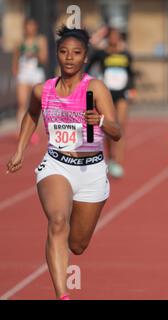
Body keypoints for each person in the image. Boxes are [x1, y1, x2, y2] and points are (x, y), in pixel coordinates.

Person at [6, 26, 121, 299]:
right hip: (56, 164)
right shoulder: (42, 90)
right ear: (57, 54)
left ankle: (62, 248)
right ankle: (63, 295)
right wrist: (20, 150)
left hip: (91, 169)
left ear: (85, 58)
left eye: (76, 53)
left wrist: (101, 122)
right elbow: (32, 115)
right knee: (57, 221)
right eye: (64, 52)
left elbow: (117, 132)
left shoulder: (95, 88)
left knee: (78, 244)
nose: (69, 58)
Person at [86, 27, 135, 179]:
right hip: (106, 94)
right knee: (108, 127)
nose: (114, 39)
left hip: (121, 94)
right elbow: (88, 65)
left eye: (116, 37)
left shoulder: (126, 54)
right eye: (111, 37)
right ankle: (110, 158)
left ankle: (118, 162)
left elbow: (130, 73)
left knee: (120, 127)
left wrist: (133, 89)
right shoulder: (102, 54)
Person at [11, 18, 48, 144]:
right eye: (28, 26)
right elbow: (15, 58)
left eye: (32, 26)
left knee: (35, 104)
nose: (30, 29)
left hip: (36, 74)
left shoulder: (40, 40)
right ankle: (20, 130)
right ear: (24, 27)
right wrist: (15, 71)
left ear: (35, 27)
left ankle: (33, 132)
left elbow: (44, 58)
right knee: (22, 103)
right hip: (23, 74)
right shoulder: (19, 41)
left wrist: (34, 54)